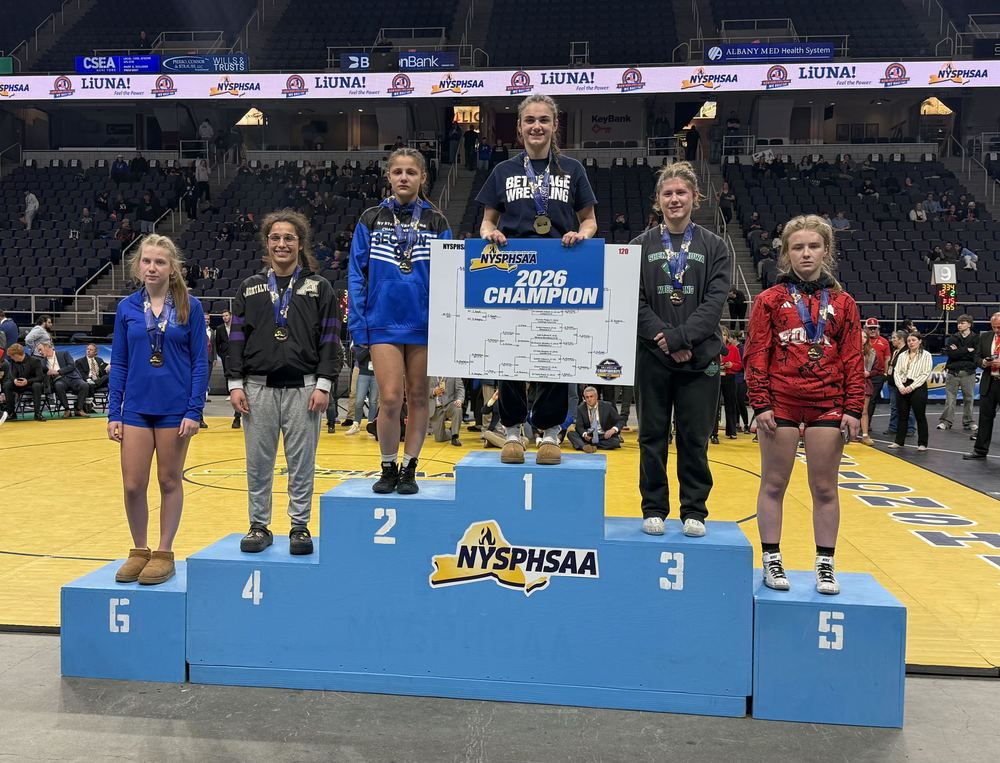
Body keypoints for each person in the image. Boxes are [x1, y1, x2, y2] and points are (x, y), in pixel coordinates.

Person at [744, 214, 864, 595]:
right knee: (774, 482)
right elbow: (756, 353)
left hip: (828, 405)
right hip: (779, 402)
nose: (806, 253)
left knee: (825, 488)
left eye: (813, 246)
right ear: (786, 253)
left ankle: (825, 565)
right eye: (797, 247)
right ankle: (771, 559)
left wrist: (853, 408)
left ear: (826, 251)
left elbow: (852, 359)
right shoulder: (769, 300)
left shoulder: (844, 303)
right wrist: (760, 403)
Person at [476, 94, 597, 467]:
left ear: (555, 126)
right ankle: (512, 430)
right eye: (529, 120)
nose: (536, 126)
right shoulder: (503, 171)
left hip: (559, 273)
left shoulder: (573, 170)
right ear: (519, 127)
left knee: (553, 351)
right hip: (512, 273)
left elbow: (590, 221)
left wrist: (582, 236)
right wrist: (489, 234)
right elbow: (486, 222)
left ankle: (549, 431)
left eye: (544, 120)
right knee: (510, 351)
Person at [228, 209, 341, 555]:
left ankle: (299, 527)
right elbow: (235, 340)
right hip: (256, 389)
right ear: (267, 243)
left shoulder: (319, 287)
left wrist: (324, 384)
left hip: (305, 389)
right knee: (258, 463)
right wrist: (234, 383)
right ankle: (259, 525)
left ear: (300, 243)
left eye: (288, 238)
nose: (281, 244)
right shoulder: (249, 288)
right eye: (275, 238)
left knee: (302, 463)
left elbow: (331, 339)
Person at [633, 161, 729, 538]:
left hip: (700, 358)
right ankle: (654, 507)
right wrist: (665, 340)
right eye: (667, 193)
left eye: (681, 193)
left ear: (695, 197)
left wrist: (681, 339)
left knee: (694, 436)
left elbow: (714, 303)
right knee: (651, 435)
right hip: (652, 357)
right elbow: (633, 301)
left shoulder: (715, 246)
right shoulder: (640, 246)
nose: (674, 199)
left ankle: (694, 510)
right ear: (658, 200)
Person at [349, 148, 452, 493]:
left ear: (423, 177)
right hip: (382, 322)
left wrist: (446, 324)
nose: (404, 177)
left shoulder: (437, 222)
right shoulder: (370, 218)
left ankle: (410, 467)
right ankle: (388, 465)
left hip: (423, 323)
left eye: (411, 172)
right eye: (397, 172)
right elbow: (356, 274)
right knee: (390, 399)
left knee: (419, 395)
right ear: (388, 177)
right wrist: (357, 323)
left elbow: (449, 278)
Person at [107, 235, 208, 586]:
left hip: (174, 409)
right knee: (133, 484)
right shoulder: (126, 309)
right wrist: (113, 412)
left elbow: (200, 363)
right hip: (135, 408)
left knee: (168, 480)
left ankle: (164, 551)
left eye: (160, 262)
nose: (152, 267)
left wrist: (194, 410)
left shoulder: (190, 307)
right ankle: (139, 550)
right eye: (147, 261)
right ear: (138, 266)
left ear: (173, 268)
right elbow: (118, 362)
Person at [964, 312, 1000, 460]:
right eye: (994, 327)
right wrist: (984, 362)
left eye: (999, 327)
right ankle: (980, 450)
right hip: (989, 382)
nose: (997, 330)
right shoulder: (985, 337)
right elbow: (976, 357)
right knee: (985, 418)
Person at [888, 332, 932, 451]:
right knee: (902, 415)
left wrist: (911, 387)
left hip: (918, 387)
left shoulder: (926, 355)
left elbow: (925, 373)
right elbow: (896, 372)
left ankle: (922, 443)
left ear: (919, 341)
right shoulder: (903, 355)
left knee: (920, 415)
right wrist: (900, 386)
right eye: (909, 341)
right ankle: (899, 441)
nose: (911, 343)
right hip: (902, 385)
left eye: (913, 340)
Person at [938, 314, 978, 432]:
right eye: (958, 323)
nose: (959, 325)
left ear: (969, 325)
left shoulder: (976, 338)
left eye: (962, 323)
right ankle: (945, 422)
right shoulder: (953, 338)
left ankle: (968, 422)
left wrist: (959, 351)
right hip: (953, 372)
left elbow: (975, 355)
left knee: (969, 399)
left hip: (968, 372)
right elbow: (951, 354)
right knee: (950, 399)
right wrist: (966, 350)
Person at [37, 341, 89, 417]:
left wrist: (58, 372)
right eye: (38, 351)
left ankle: (79, 409)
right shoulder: (42, 362)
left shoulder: (64, 353)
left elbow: (72, 366)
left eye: (40, 349)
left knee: (84, 385)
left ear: (47, 347)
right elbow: (42, 375)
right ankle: (67, 410)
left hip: (72, 377)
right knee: (58, 386)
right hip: (59, 380)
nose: (40, 352)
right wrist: (47, 374)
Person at [567, 385, 624, 453]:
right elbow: (579, 426)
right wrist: (585, 434)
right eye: (587, 397)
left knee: (615, 442)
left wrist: (613, 430)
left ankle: (586, 446)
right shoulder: (580, 408)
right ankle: (585, 446)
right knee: (571, 434)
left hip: (603, 435)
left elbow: (620, 420)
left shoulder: (607, 406)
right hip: (588, 437)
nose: (589, 399)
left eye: (591, 396)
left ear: (596, 396)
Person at [884, 329, 916, 436]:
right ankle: (893, 427)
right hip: (893, 383)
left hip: (903, 383)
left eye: (894, 338)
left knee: (907, 406)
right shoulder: (896, 351)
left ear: (901, 340)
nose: (892, 340)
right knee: (894, 406)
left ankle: (910, 428)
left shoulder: (907, 352)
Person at [1, 343, 45, 421]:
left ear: (16, 355)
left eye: (12, 356)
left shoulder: (35, 361)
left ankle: (37, 413)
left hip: (31, 384)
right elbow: (12, 375)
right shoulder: (14, 362)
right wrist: (14, 380)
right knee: (7, 385)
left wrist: (27, 381)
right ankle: (11, 413)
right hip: (19, 384)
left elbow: (40, 377)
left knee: (37, 385)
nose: (11, 358)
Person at [863, 318, 890, 425]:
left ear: (878, 328)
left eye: (874, 328)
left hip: (877, 375)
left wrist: (886, 373)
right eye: (870, 328)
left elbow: (887, 358)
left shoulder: (884, 341)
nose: (872, 330)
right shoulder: (861, 340)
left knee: (871, 400)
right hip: (862, 375)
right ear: (865, 328)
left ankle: (866, 423)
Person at [859, 329, 883, 446]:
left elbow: (877, 369)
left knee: (864, 411)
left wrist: (869, 373)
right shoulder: (848, 351)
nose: (862, 339)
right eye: (860, 337)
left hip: (865, 384)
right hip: (849, 383)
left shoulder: (872, 353)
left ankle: (865, 435)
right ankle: (846, 434)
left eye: (864, 337)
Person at [719, 327, 743, 439]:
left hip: (729, 377)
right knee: (714, 406)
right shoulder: (712, 348)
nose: (722, 337)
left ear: (727, 336)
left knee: (730, 404)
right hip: (715, 376)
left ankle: (731, 431)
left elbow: (739, 365)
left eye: (724, 335)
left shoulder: (733, 349)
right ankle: (712, 432)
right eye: (721, 334)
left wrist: (731, 365)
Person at [428, 375, 464, 446]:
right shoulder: (429, 371)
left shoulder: (453, 372)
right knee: (439, 439)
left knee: (457, 409)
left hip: (449, 404)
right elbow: (421, 389)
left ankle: (455, 436)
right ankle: (450, 432)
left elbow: (460, 389)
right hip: (435, 408)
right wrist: (433, 391)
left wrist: (459, 400)